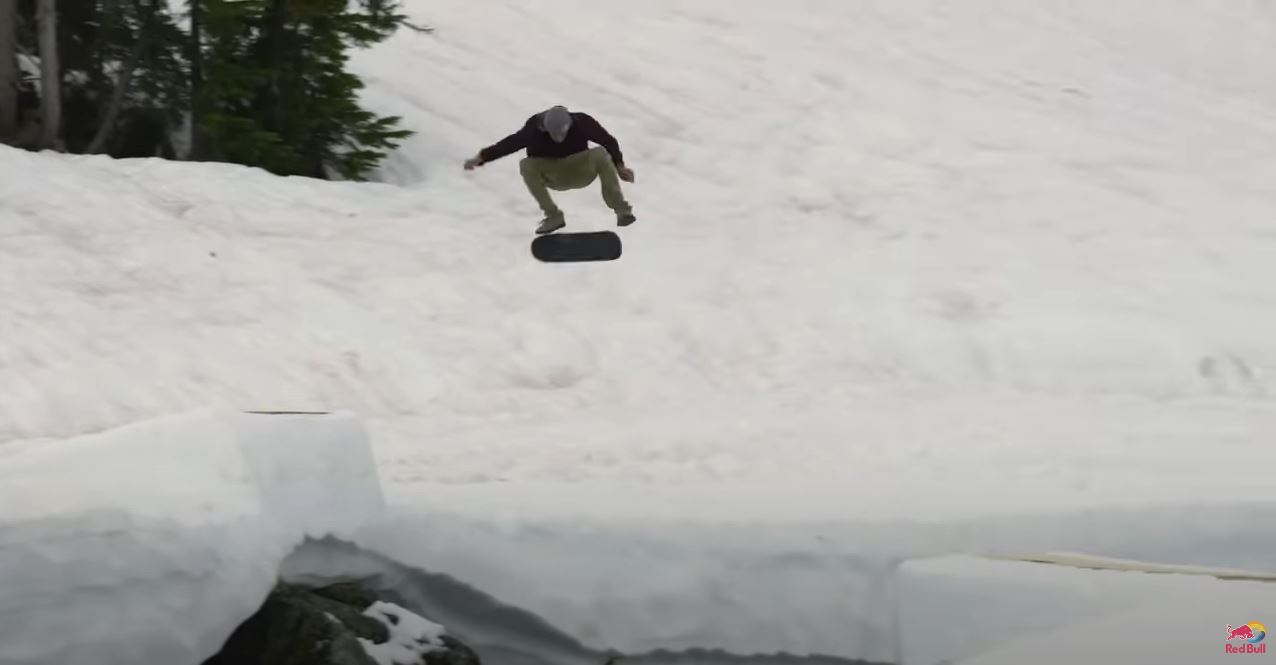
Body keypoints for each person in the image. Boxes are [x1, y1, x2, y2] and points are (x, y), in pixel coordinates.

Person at [464, 105, 636, 234]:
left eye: (562, 134)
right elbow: (510, 144)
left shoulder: (582, 122)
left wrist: (620, 166)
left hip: (579, 169)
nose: (559, 139)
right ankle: (553, 217)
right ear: (545, 128)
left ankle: (621, 210)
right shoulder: (534, 128)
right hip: (553, 175)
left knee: (601, 153)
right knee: (526, 164)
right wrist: (480, 158)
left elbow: (608, 140)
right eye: (554, 134)